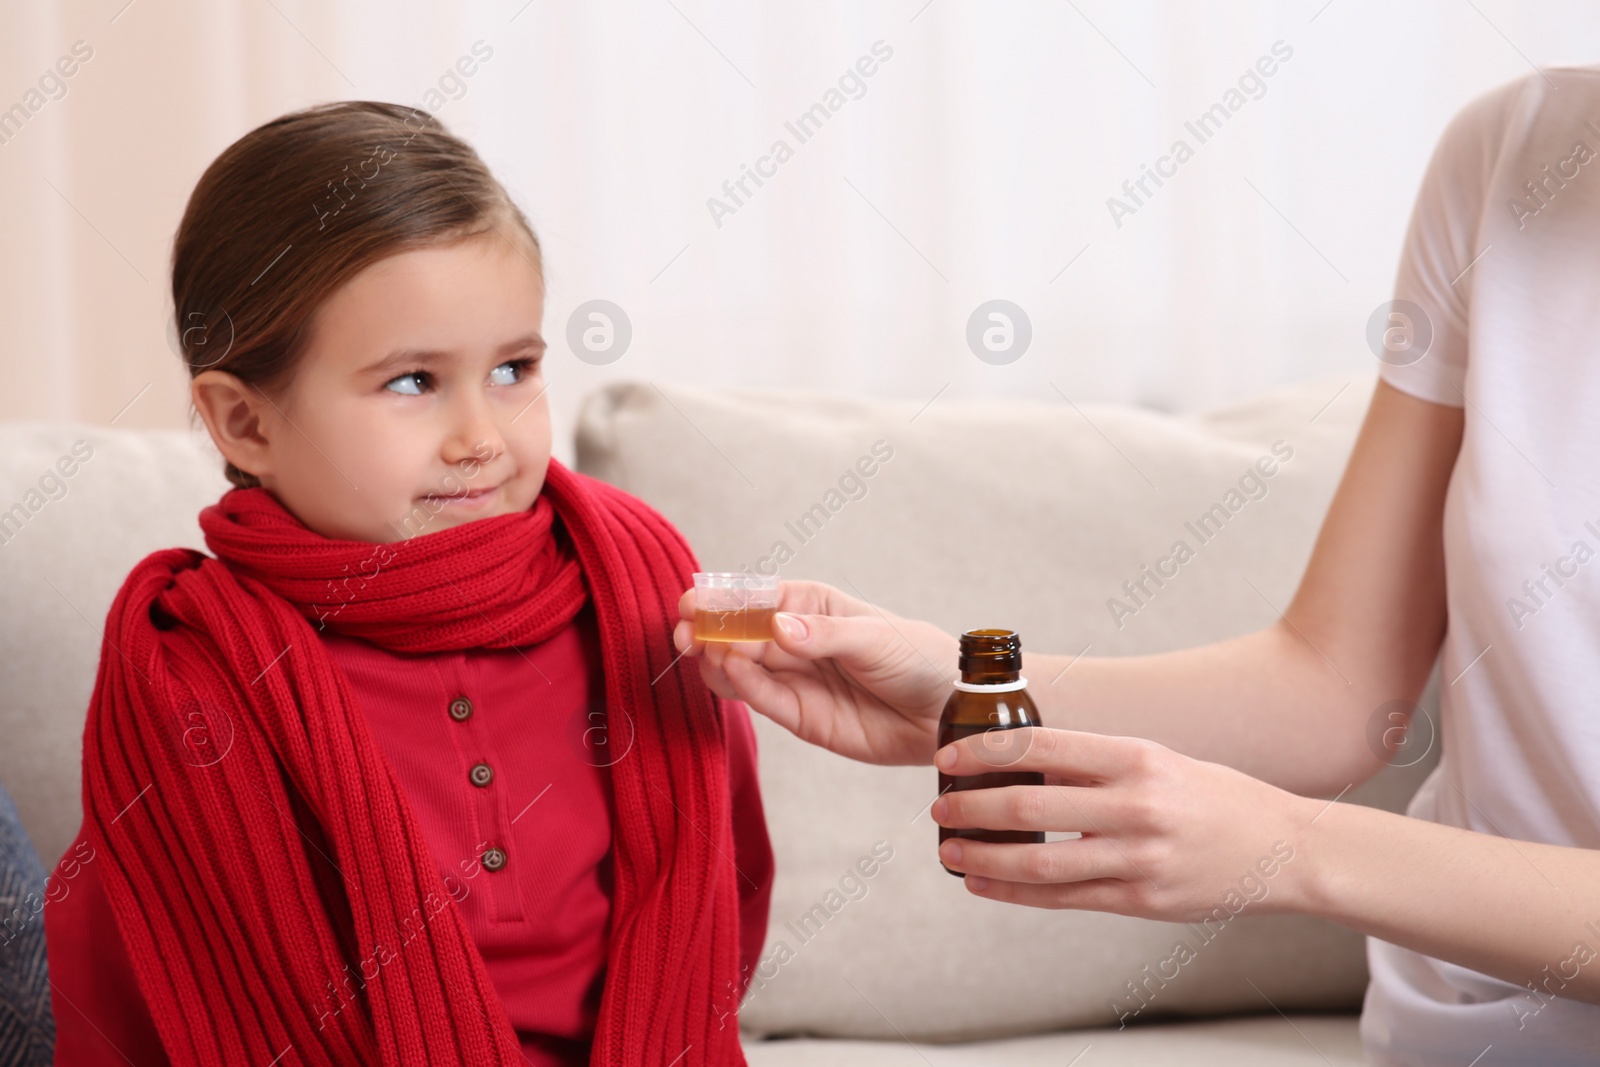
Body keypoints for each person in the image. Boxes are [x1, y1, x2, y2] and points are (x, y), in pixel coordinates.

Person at [674, 67, 1600, 1066]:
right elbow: (1332, 688)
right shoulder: (1515, 148)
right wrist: (969, 690)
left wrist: (1291, 848)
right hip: (1457, 1033)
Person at [44, 101, 772, 1067]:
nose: (481, 435)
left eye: (513, 367)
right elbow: (130, 989)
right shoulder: (192, 674)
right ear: (244, 424)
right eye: (413, 383)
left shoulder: (639, 596)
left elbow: (730, 887)